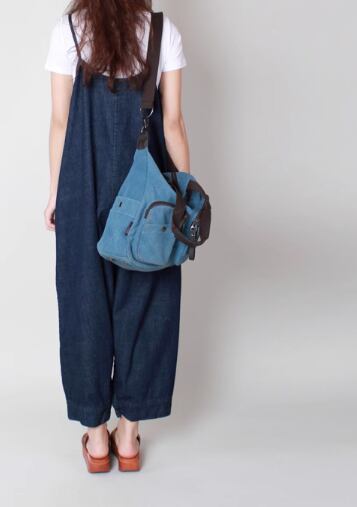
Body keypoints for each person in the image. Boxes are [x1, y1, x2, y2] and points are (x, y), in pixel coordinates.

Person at [44, 0, 189, 473]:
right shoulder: (162, 32)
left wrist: (55, 195)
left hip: (82, 185)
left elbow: (61, 122)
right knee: (146, 300)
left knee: (84, 302)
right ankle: (128, 437)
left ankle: (95, 439)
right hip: (148, 191)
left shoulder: (69, 29)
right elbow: (173, 123)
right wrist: (183, 200)